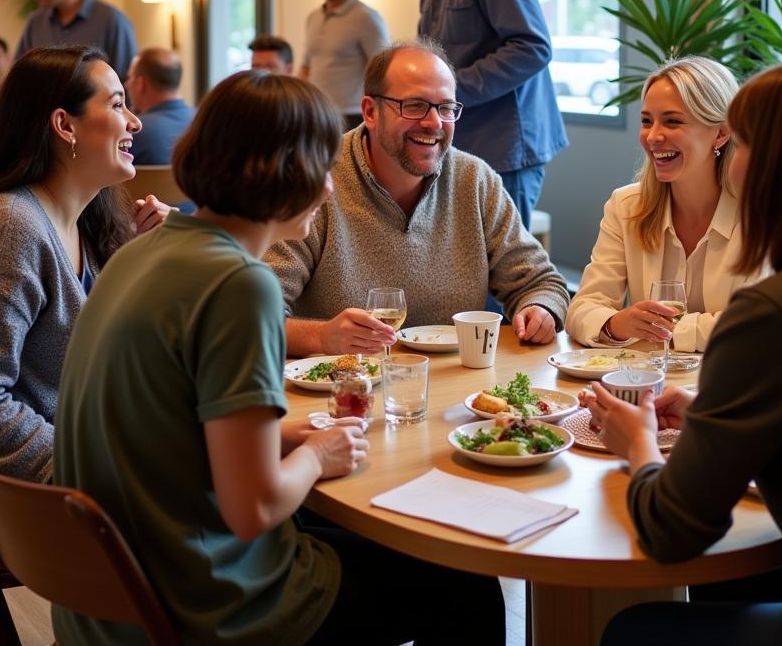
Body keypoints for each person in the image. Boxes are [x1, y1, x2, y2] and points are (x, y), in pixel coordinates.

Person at [53, 68, 505, 646]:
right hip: (207, 604)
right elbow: (255, 508)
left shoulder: (141, 254)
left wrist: (285, 438)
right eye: (320, 168)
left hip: (110, 596)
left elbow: (163, 423)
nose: (329, 189)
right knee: (464, 583)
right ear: (282, 172)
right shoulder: (239, 285)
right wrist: (317, 454)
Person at [585, 58, 782, 646]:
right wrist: (712, 418)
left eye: (745, 139)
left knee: (635, 631)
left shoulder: (779, 313)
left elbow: (669, 532)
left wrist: (638, 444)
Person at [0, 46, 169, 482]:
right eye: (116, 104)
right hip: (63, 509)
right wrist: (102, 469)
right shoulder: (10, 231)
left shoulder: (84, 223)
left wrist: (162, 252)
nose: (135, 121)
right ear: (64, 125)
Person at [265, 40, 569, 357]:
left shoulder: (474, 180)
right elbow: (251, 318)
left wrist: (540, 310)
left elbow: (542, 283)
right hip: (343, 393)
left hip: (456, 390)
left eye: (446, 108)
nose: (434, 122)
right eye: (414, 106)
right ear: (370, 111)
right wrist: (320, 337)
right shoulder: (318, 180)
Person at [389, 0, 566, 225]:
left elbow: (533, 47)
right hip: (464, 146)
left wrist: (448, 96)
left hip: (505, 153)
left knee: (501, 276)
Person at [566, 56, 756, 353]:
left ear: (720, 133)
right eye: (646, 121)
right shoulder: (626, 206)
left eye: (673, 121)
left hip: (731, 385)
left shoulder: (759, 215)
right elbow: (582, 309)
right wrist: (620, 324)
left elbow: (754, 326)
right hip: (646, 385)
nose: (653, 137)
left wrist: (668, 330)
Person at [301, 0, 389, 130]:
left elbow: (384, 73)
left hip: (351, 119)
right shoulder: (312, 17)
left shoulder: (366, 18)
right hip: (315, 114)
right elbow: (306, 68)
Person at [123, 47, 194, 165]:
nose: (126, 84)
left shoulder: (131, 132)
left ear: (141, 83)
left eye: (129, 78)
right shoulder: (204, 122)